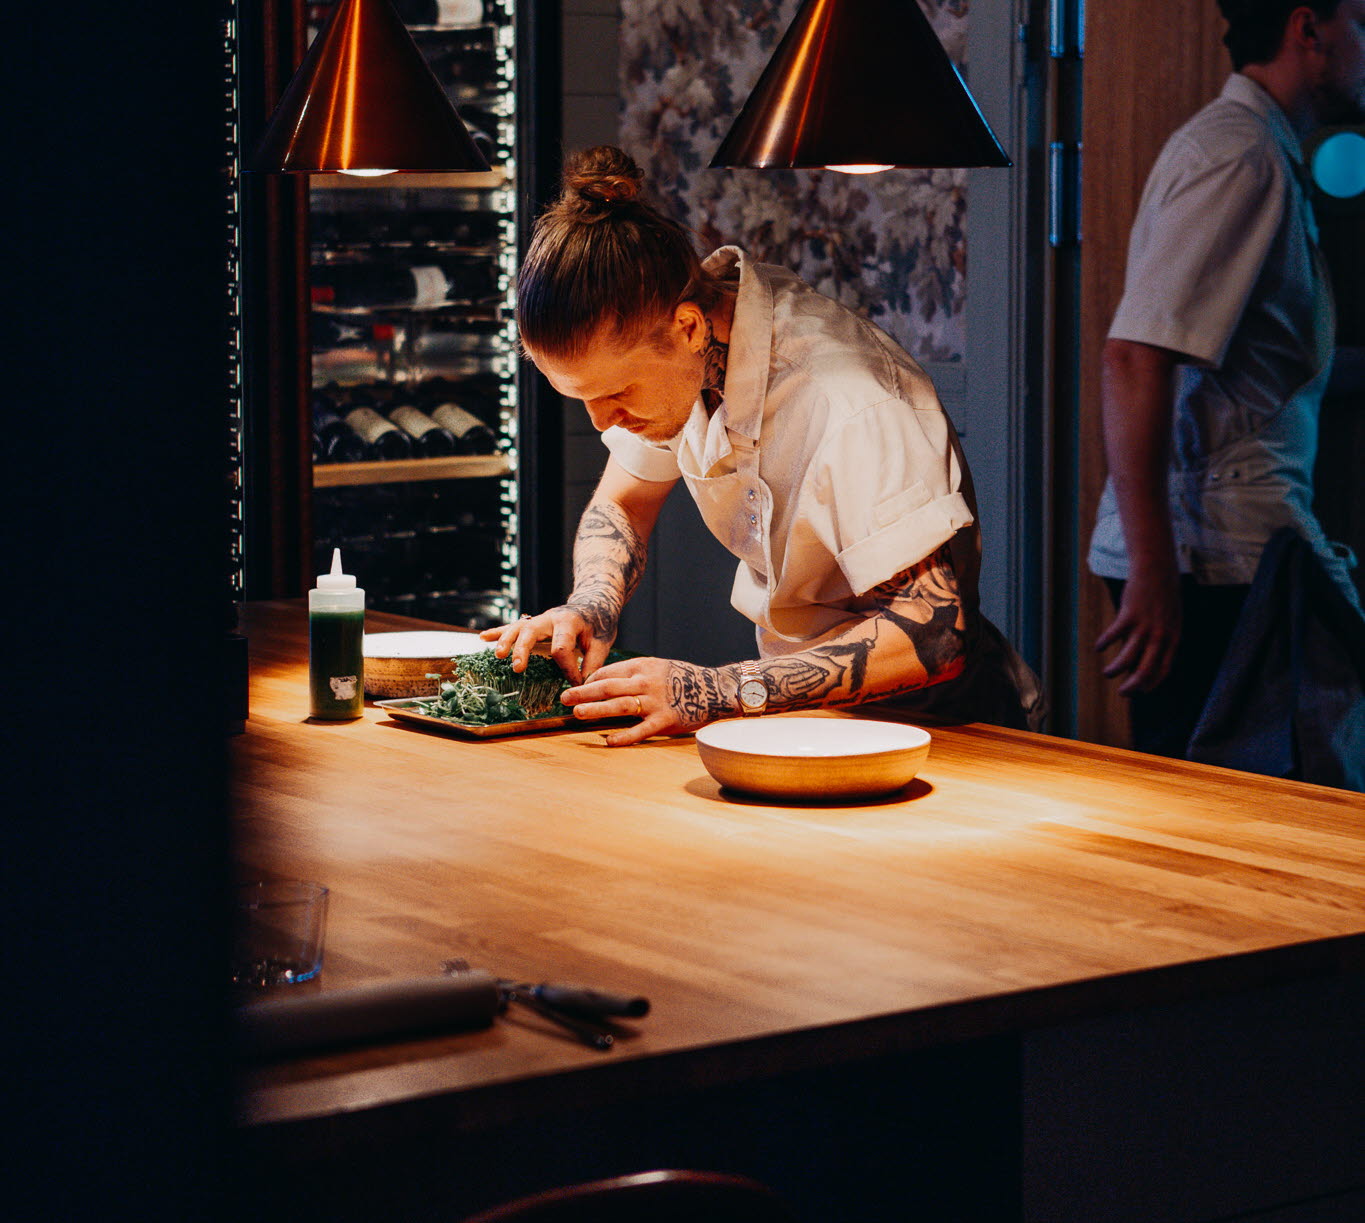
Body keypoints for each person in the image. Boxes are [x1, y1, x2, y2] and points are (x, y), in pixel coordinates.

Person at [481, 145, 1041, 747]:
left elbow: (934, 635)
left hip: (947, 727)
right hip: (801, 722)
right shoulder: (686, 350)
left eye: (616, 393)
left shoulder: (849, 402)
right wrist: (590, 606)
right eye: (582, 399)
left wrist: (714, 691)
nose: (602, 423)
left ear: (689, 327)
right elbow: (624, 501)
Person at [1088, 0, 1365, 758]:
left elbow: (1258, 368)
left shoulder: (1260, 149)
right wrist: (1152, 571)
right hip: (1206, 560)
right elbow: (1134, 355)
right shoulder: (1237, 154)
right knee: (1218, 817)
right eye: (1361, 22)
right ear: (1306, 29)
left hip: (1231, 549)